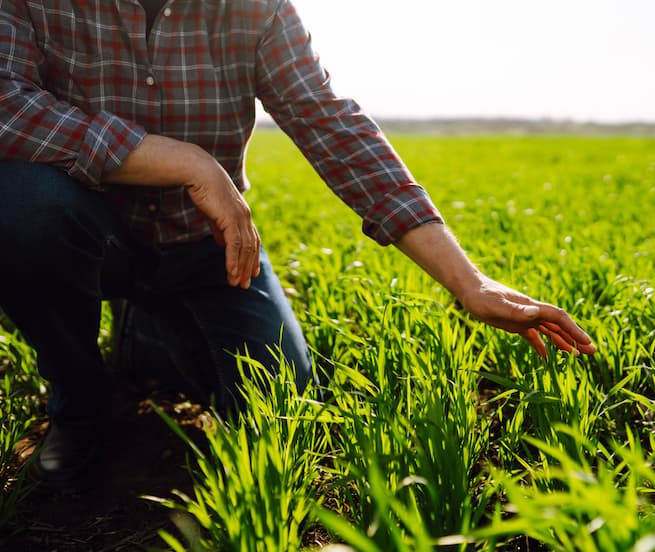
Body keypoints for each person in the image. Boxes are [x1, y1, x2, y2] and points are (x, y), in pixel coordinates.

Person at [0, 0, 596, 483]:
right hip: (87, 233)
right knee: (23, 203)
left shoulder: (255, 9)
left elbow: (333, 126)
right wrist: (181, 160)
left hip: (205, 249)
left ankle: (144, 336)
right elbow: (6, 101)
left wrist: (470, 281)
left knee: (281, 410)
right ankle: (78, 399)